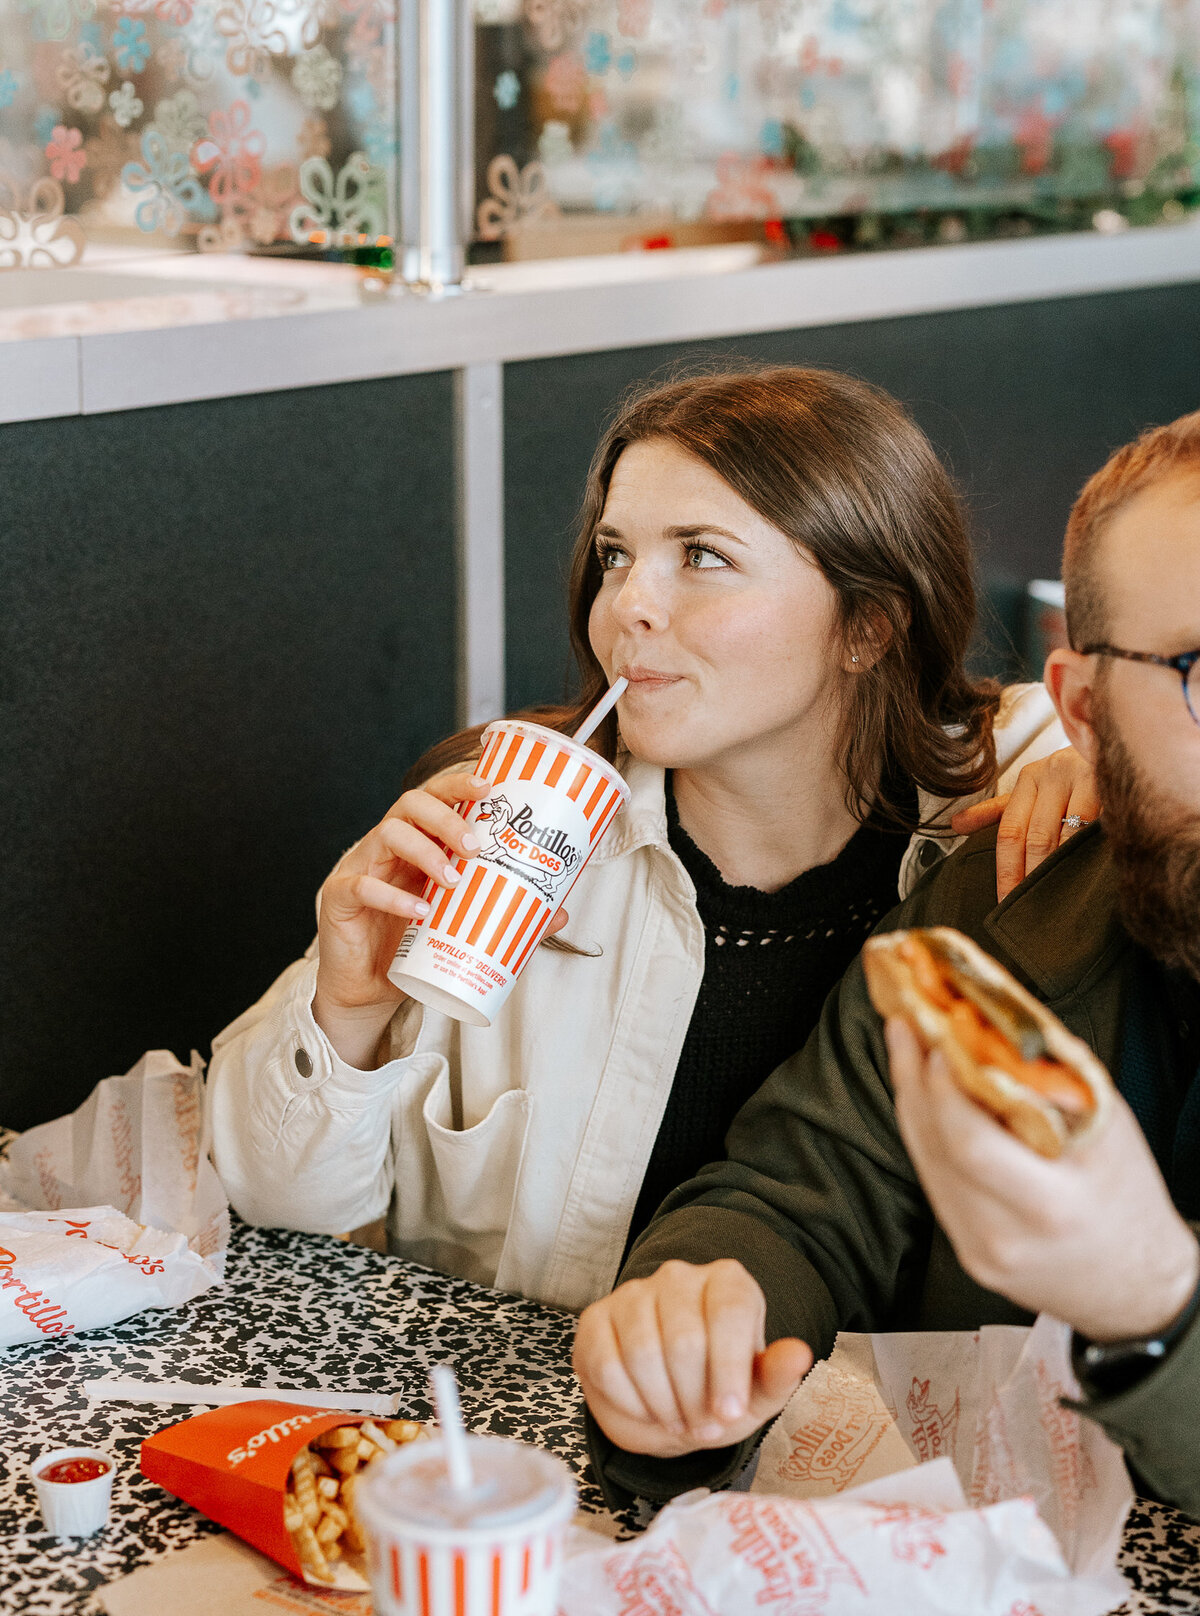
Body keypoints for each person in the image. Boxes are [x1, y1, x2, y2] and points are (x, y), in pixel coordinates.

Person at [208, 366, 1092, 1312]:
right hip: (549, 1427)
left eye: (702, 555)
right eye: (617, 555)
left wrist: (1133, 779)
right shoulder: (504, 819)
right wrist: (342, 1011)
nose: (629, 604)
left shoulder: (1018, 778)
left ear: (867, 625)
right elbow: (273, 1206)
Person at [574, 410, 1200, 1522]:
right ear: (1088, 714)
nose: (636, 603)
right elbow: (804, 1195)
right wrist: (696, 1320)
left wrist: (1155, 1301)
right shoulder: (994, 918)